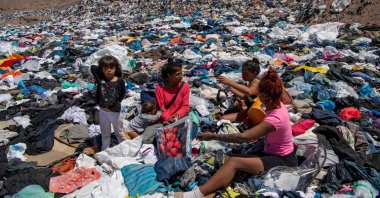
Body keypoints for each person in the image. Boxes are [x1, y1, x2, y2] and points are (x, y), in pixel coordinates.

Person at [177, 67, 297, 198]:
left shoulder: (275, 118)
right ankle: (211, 193)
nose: (256, 97)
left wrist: (212, 136)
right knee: (233, 162)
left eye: (259, 94)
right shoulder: (277, 102)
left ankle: (194, 195)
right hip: (273, 151)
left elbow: (243, 137)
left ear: (264, 95)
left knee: (233, 161)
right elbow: (254, 97)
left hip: (282, 160)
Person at [217, 58, 293, 125]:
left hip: (257, 114)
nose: (243, 75)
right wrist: (229, 88)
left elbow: (249, 92)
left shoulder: (256, 82)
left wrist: (229, 82)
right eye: (242, 72)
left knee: (224, 119)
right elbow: (245, 96)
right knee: (223, 117)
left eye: (246, 73)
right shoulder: (250, 83)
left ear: (255, 73)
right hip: (250, 112)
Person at [93, 55, 126, 151]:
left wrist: (114, 103)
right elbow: (93, 67)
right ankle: (105, 151)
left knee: (118, 132)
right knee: (105, 134)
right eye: (105, 68)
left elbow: (122, 94)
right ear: (102, 69)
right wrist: (101, 68)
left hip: (115, 113)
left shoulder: (120, 81)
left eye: (111, 68)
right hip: (103, 112)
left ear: (116, 68)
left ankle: (125, 150)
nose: (109, 70)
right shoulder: (100, 80)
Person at [155, 60, 190, 125]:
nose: (181, 76)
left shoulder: (184, 86)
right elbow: (161, 108)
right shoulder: (160, 88)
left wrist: (177, 115)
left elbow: (185, 106)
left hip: (179, 119)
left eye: (181, 73)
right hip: (164, 120)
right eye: (177, 74)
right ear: (169, 75)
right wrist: (168, 118)